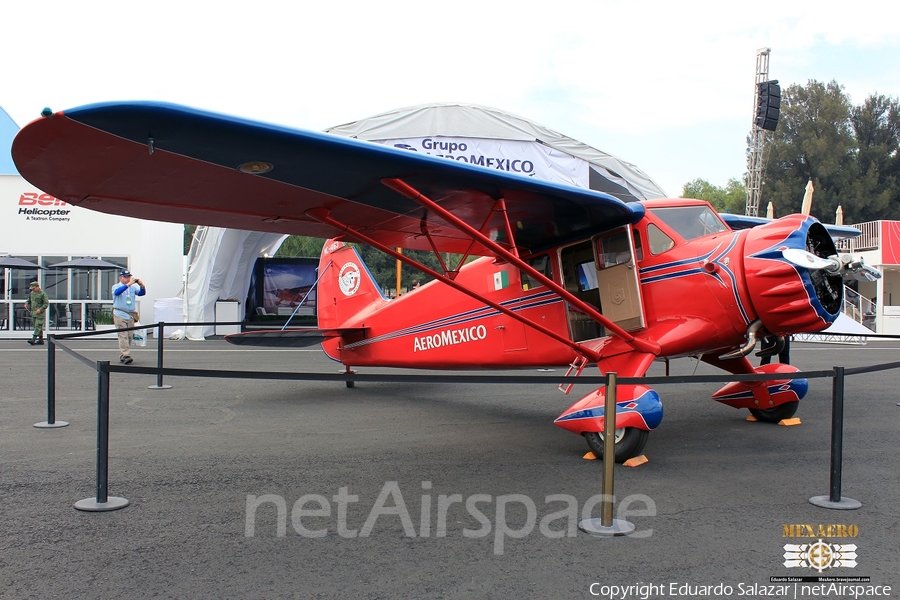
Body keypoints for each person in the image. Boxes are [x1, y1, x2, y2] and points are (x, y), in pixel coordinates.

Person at [112, 269, 146, 364]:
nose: (128, 279)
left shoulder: (132, 288)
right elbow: (117, 292)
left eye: (129, 277)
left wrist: (141, 285)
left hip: (130, 315)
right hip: (119, 314)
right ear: (121, 278)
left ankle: (123, 355)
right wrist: (128, 285)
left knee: (129, 335)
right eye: (126, 277)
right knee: (123, 335)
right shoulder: (116, 286)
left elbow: (141, 293)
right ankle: (126, 354)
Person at [25, 281, 49, 345]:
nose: (33, 289)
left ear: (37, 287)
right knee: (37, 326)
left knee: (38, 326)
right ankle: (41, 340)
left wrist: (40, 309)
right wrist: (26, 303)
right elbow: (29, 299)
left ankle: (33, 339)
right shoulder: (32, 293)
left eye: (34, 288)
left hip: (39, 313)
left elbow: (46, 303)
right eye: (32, 289)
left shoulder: (43, 294)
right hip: (33, 313)